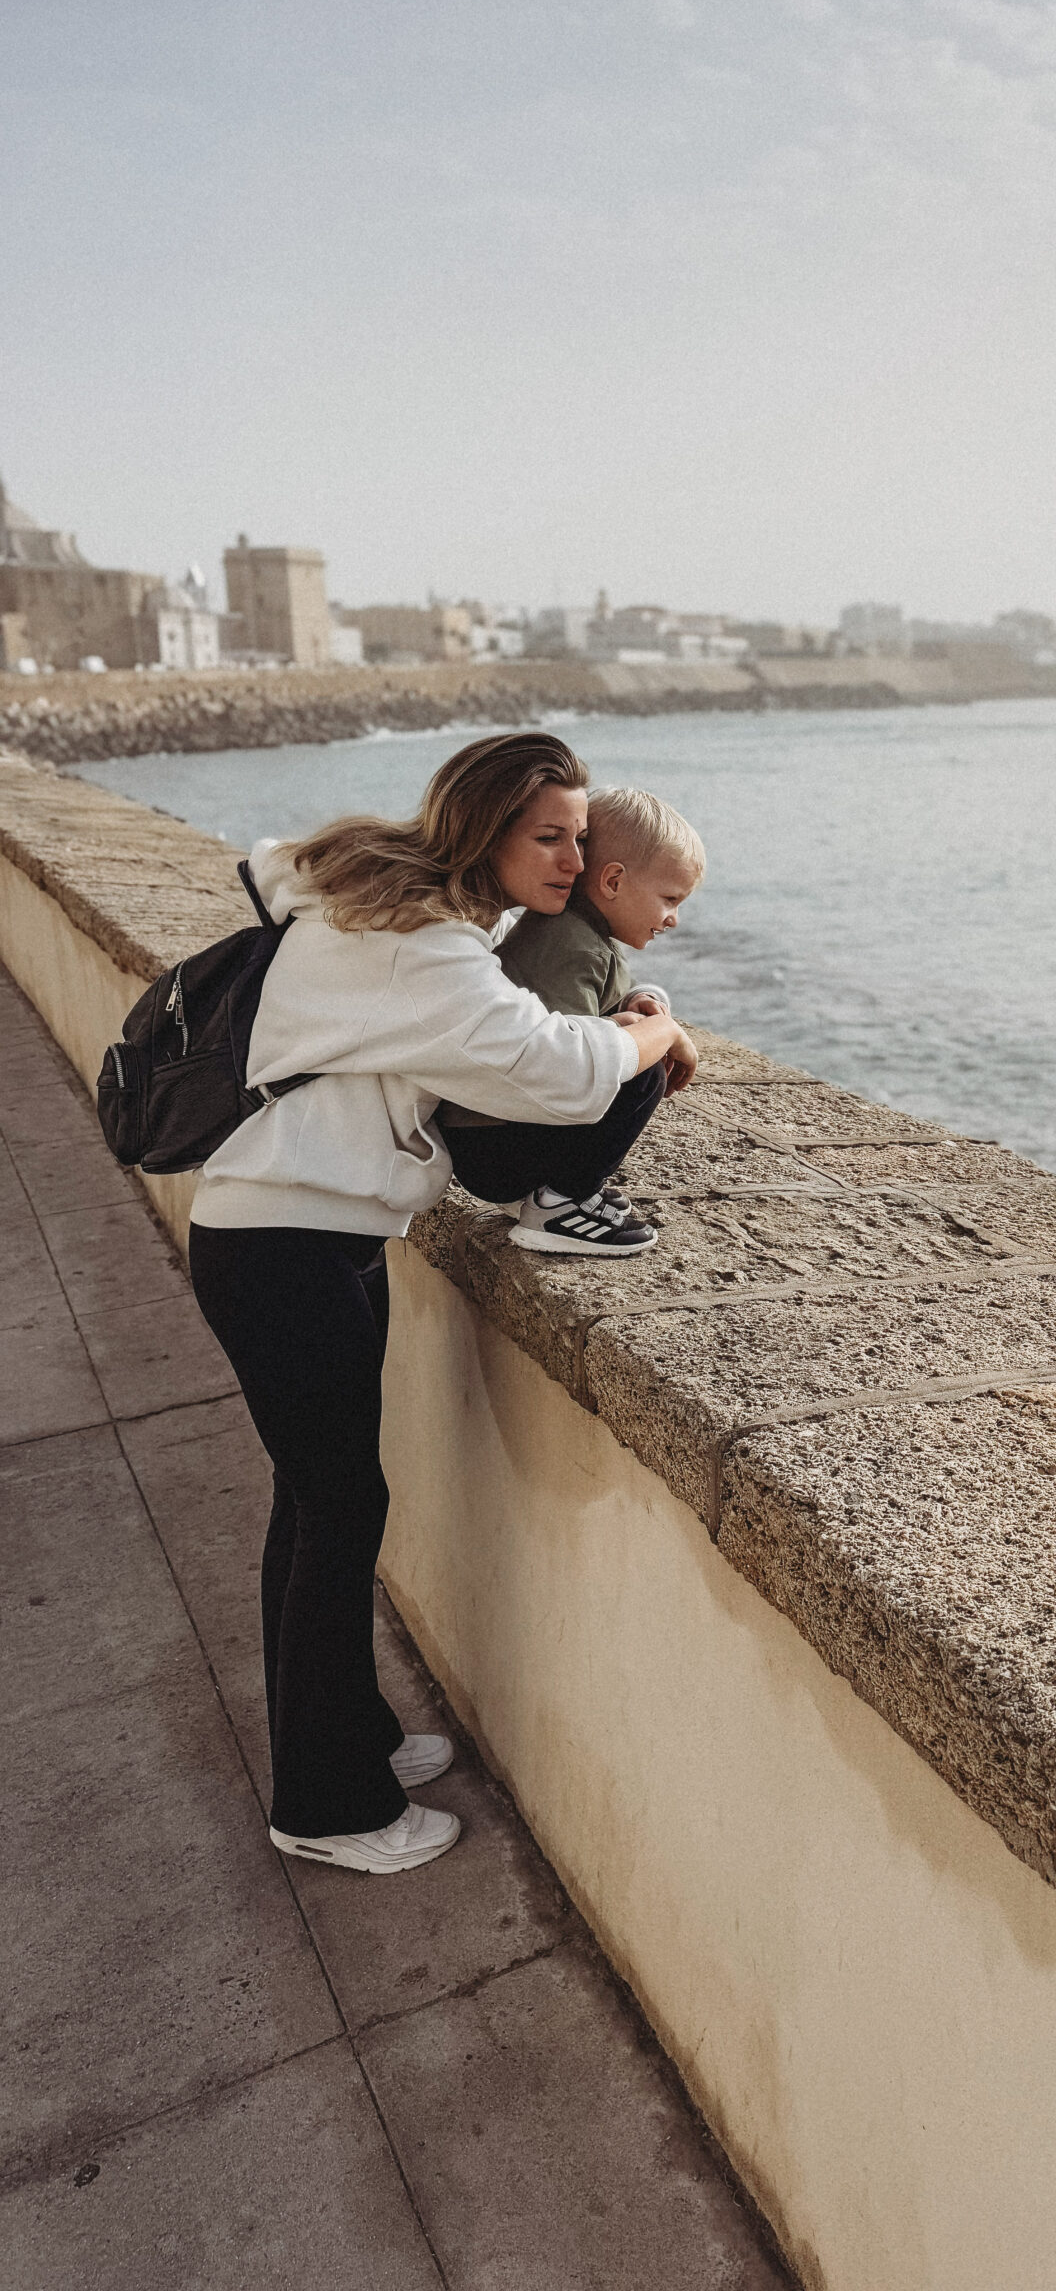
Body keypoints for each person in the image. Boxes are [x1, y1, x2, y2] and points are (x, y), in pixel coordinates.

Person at [186, 732, 693, 1877]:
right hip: (285, 1245)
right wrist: (656, 1029)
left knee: (314, 1502)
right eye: (549, 837)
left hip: (306, 1233)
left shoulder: (387, 904)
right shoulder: (426, 945)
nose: (575, 861)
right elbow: (561, 1071)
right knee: (336, 1507)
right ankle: (327, 1806)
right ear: (485, 828)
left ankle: (346, 1731)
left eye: (580, 837)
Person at [439, 784, 704, 1255]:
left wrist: (638, 1002)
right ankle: (559, 1204)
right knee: (643, 1073)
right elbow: (570, 1060)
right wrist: (654, 1033)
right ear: (613, 881)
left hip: (485, 1134)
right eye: (670, 899)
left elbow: (592, 1007)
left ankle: (553, 1190)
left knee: (633, 1047)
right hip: (496, 1149)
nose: (673, 919)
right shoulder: (575, 946)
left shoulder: (575, 931)